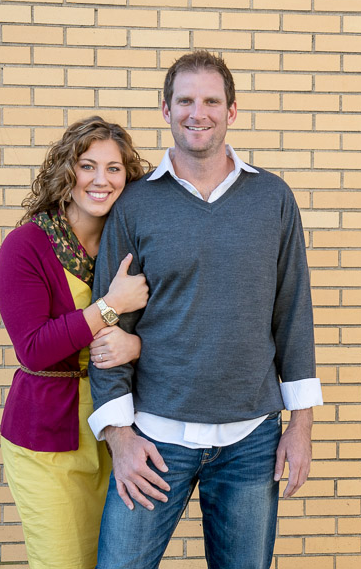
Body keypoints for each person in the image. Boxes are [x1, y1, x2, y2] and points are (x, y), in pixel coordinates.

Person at [87, 50, 323, 569]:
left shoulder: (273, 197)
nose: (199, 112)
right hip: (154, 439)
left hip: (250, 441)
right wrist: (120, 438)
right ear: (166, 110)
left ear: (232, 111)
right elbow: (108, 329)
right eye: (186, 100)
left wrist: (300, 426)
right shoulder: (135, 204)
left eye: (212, 100)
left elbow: (293, 313)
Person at [0, 116, 152, 569]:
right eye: (88, 166)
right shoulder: (26, 246)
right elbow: (33, 348)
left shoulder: (129, 248)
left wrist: (136, 346)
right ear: (68, 172)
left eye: (114, 169)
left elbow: (172, 327)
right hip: (46, 439)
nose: (101, 180)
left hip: (117, 431)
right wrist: (109, 305)